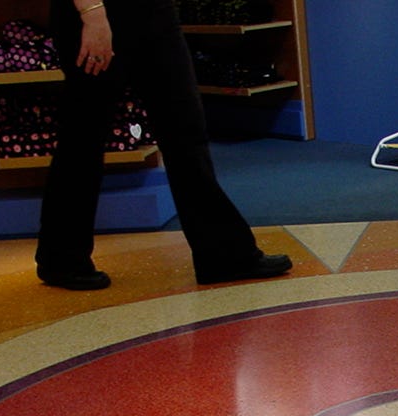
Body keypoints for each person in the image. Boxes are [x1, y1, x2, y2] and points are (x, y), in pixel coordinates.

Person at [35, 0, 291, 290]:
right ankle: (61, 258)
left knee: (185, 128)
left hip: (153, 12)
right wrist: (92, 13)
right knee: (85, 136)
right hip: (95, 12)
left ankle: (224, 253)